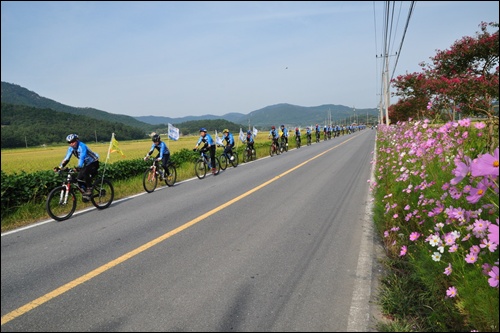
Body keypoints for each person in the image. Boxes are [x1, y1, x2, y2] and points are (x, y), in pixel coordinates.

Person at [58, 134, 99, 199]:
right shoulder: (71, 148)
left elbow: (82, 157)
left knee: (85, 172)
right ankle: (86, 195)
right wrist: (60, 167)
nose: (72, 144)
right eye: (69, 142)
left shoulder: (82, 146)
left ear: (77, 140)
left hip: (93, 162)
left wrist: (79, 167)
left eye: (73, 141)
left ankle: (89, 188)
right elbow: (66, 158)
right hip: (86, 164)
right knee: (78, 179)